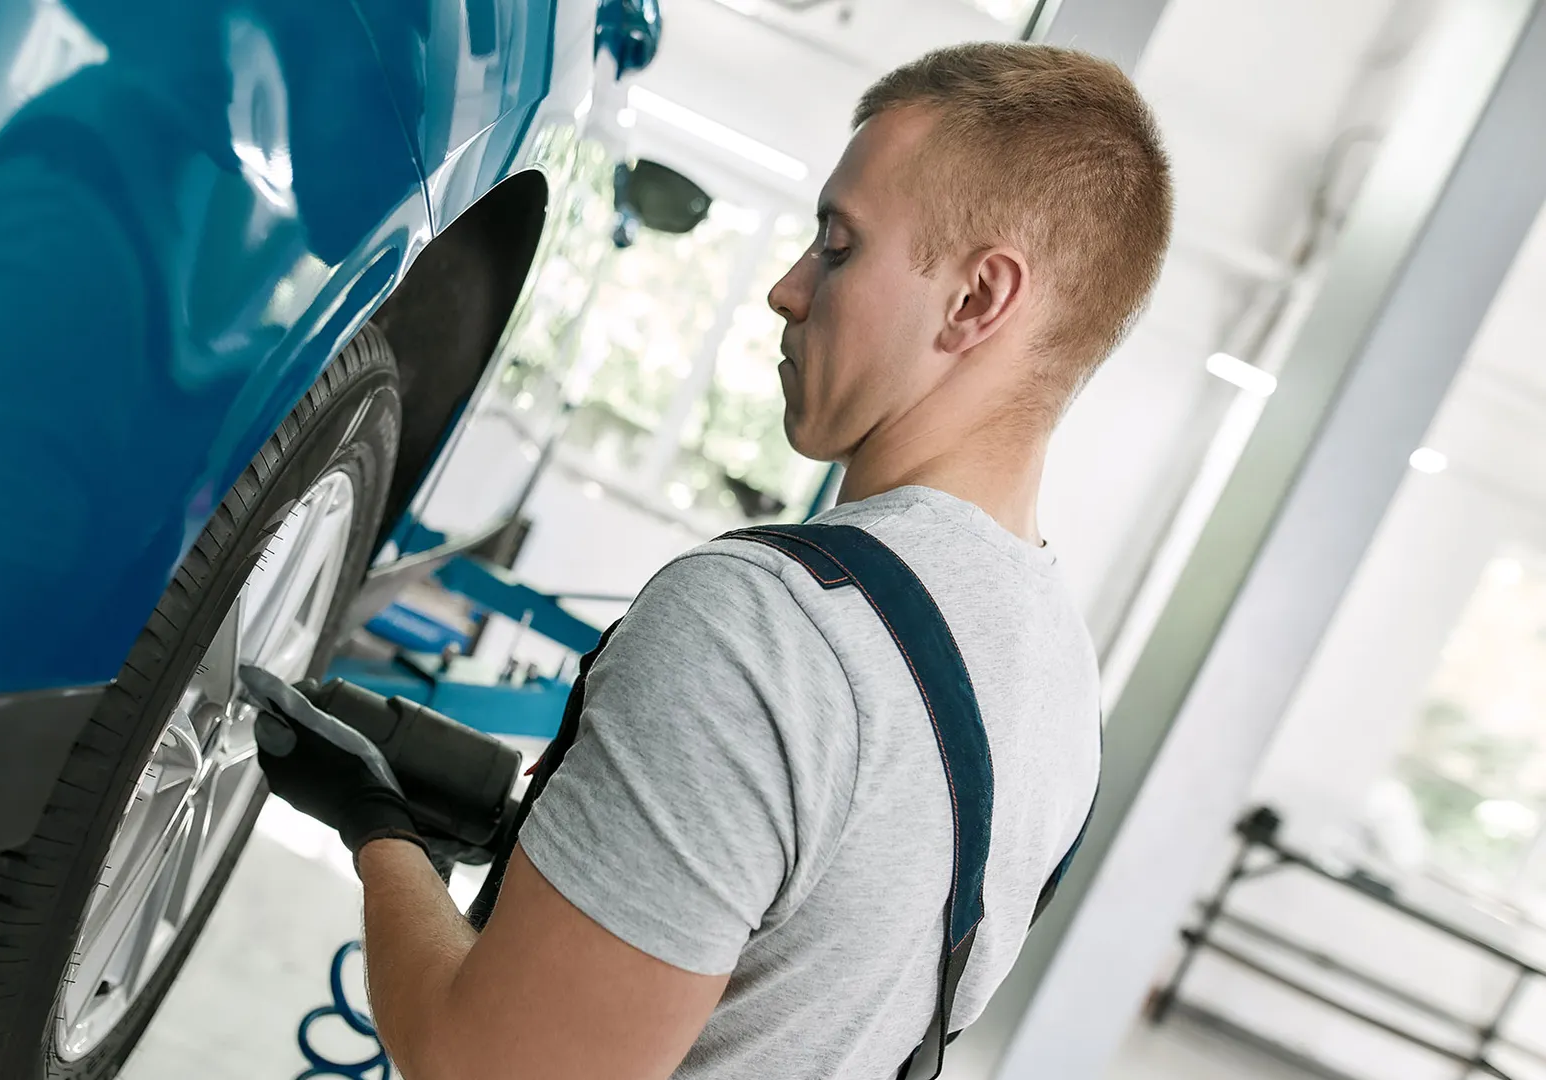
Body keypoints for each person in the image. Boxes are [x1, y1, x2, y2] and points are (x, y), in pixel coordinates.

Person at [259, 41, 1173, 1079]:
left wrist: (379, 830)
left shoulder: (765, 629)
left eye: (837, 244)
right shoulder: (1061, 694)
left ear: (976, 301)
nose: (785, 290)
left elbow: (491, 1067)